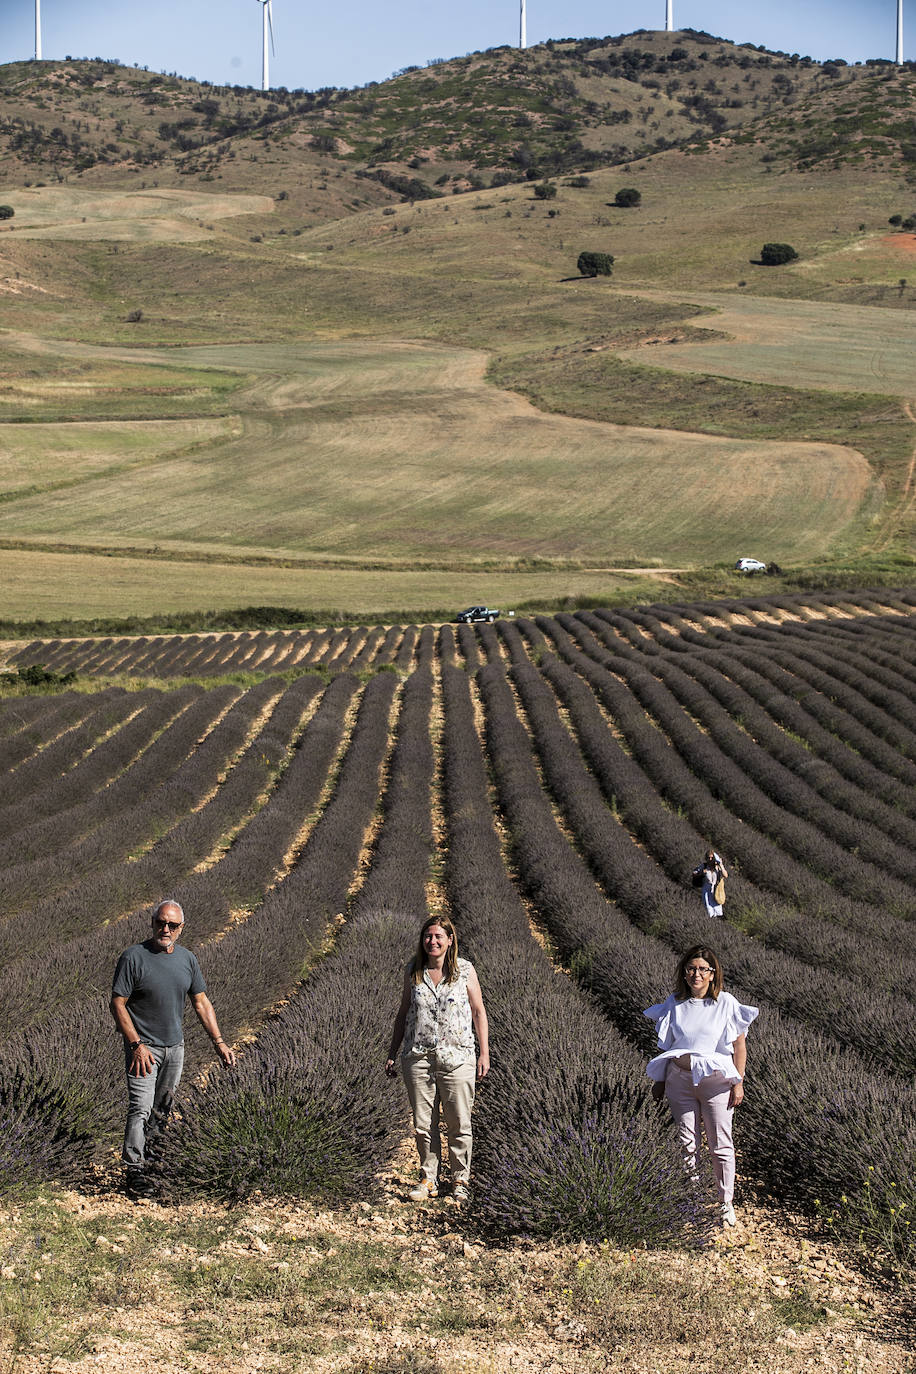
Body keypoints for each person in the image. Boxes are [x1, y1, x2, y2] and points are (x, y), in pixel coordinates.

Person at [110, 899, 235, 1197]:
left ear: (181, 929)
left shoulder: (188, 960)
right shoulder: (133, 957)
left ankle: (152, 1161)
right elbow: (118, 1003)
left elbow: (201, 1002)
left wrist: (219, 1042)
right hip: (144, 1049)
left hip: (174, 1049)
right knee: (140, 1107)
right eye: (160, 922)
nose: (165, 929)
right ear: (152, 922)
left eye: (172, 925)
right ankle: (134, 1170)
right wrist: (136, 1043)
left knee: (162, 1108)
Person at [644, 945, 757, 1227]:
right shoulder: (674, 1002)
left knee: (720, 1144)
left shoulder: (726, 1003)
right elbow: (667, 1045)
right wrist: (660, 1081)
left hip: (715, 1082)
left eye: (703, 969)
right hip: (679, 1079)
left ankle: (725, 1202)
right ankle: (690, 1198)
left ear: (712, 973)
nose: (696, 974)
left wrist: (738, 1082)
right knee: (687, 1142)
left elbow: (739, 1045)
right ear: (684, 972)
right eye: (691, 969)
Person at [385, 915, 489, 1204]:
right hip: (418, 1057)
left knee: (459, 1122)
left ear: (450, 940)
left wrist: (484, 1053)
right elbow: (403, 1013)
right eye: (428, 936)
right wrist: (392, 1053)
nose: (432, 941)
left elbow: (479, 1012)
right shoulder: (413, 971)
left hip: (458, 1058)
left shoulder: (465, 970)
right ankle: (428, 1178)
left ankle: (460, 1180)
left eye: (438, 936)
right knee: (423, 1124)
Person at [693, 848, 728, 918]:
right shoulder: (704, 866)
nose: (710, 859)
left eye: (712, 858)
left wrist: (721, 865)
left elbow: (725, 875)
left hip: (716, 892)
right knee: (709, 911)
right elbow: (694, 873)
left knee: (718, 911)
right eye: (708, 858)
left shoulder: (718, 867)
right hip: (706, 891)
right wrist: (702, 872)